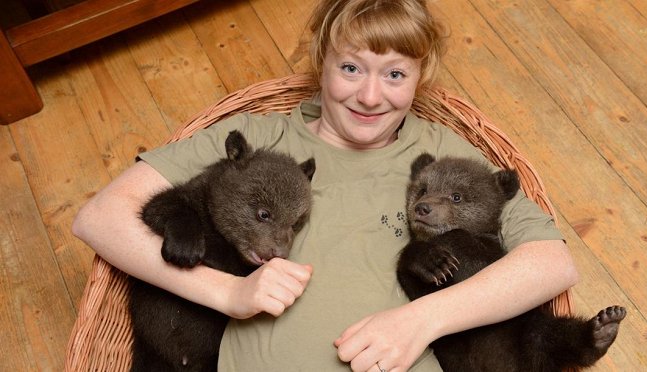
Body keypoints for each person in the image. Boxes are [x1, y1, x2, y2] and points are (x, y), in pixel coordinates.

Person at [72, 0, 579, 371]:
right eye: (351, 67)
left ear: (422, 76)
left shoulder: (443, 163)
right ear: (322, 60)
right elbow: (100, 217)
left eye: (396, 74)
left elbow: (552, 263)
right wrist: (229, 293)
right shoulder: (255, 137)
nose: (370, 95)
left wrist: (421, 320)